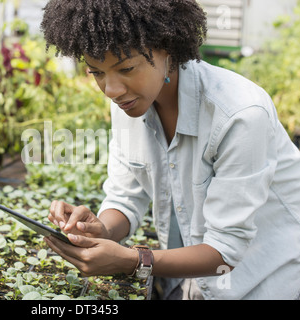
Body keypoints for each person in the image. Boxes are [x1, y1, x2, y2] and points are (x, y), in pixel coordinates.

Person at [40, 0, 300, 300]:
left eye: (125, 68)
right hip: (196, 284)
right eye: (96, 72)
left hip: (268, 282)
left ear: (168, 49)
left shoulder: (239, 115)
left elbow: (225, 251)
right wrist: (101, 230)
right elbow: (127, 196)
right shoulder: (129, 102)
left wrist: (133, 260)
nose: (110, 89)